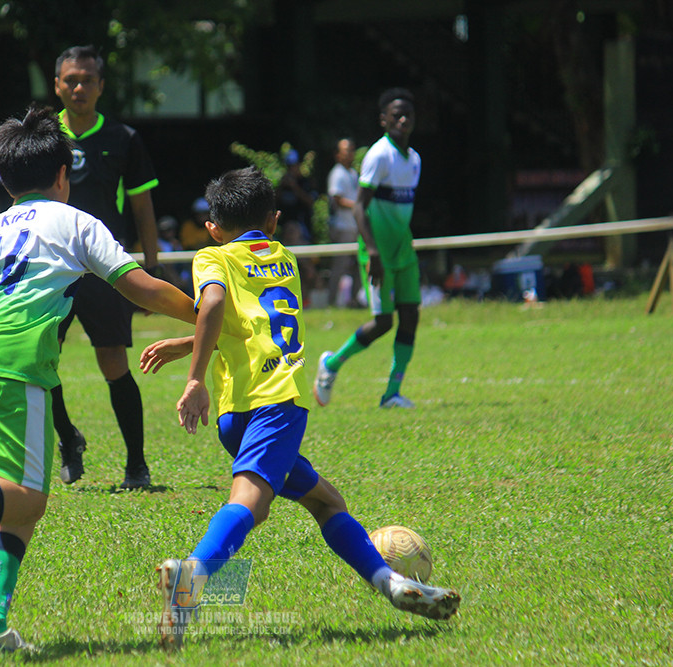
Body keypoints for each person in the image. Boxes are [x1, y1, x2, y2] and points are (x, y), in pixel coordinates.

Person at [0, 106, 196, 656]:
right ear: (62, 176)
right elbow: (141, 288)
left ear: (6, 183)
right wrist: (207, 316)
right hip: (15, 361)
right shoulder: (75, 222)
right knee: (27, 496)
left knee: (11, 503)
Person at [139, 167, 460, 650]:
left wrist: (190, 349)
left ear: (212, 226)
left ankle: (393, 587)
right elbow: (227, 311)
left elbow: (221, 312)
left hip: (236, 416)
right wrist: (194, 377)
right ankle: (192, 578)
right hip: (278, 406)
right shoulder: (285, 257)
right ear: (273, 220)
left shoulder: (212, 254)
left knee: (325, 501)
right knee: (249, 505)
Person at [50, 44, 162, 489]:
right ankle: (67, 438)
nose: (79, 88)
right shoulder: (41, 135)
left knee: (113, 361)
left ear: (101, 86)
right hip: (51, 267)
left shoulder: (123, 139)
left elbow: (142, 206)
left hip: (103, 265)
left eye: (87, 80)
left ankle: (136, 464)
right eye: (70, 80)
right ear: (57, 84)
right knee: (38, 361)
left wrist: (150, 267)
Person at [313, 88, 422, 409]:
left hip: (403, 250)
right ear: (383, 120)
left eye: (409, 114)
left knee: (411, 317)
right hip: (377, 252)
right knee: (383, 322)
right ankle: (331, 364)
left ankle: (391, 394)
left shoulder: (414, 159)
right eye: (396, 114)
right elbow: (360, 207)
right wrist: (373, 252)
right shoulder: (379, 155)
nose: (403, 119)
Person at [326, 138, 361, 306]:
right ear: (338, 154)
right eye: (346, 150)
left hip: (355, 226)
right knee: (339, 267)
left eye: (351, 150)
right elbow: (337, 200)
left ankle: (353, 300)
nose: (349, 154)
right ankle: (331, 302)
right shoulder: (337, 173)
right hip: (342, 227)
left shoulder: (353, 173)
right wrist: (358, 206)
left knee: (358, 265)